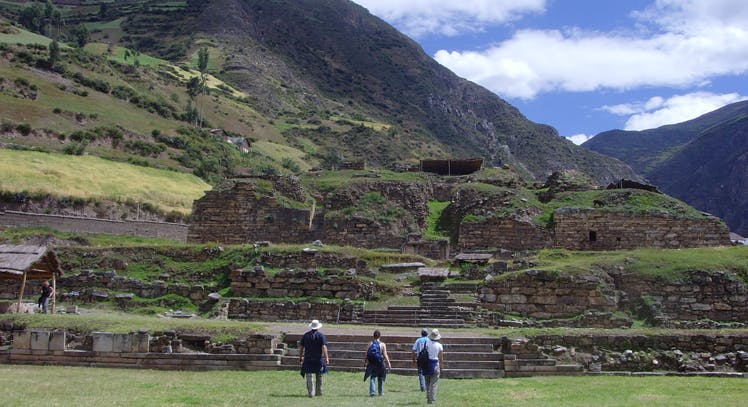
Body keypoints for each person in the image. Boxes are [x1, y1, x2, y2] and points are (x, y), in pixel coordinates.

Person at [299, 319, 329, 397]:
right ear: (318, 327)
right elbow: (324, 347)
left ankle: (311, 393)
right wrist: (326, 358)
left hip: (308, 358)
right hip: (318, 359)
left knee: (309, 376)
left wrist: (301, 356)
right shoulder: (321, 336)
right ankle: (319, 392)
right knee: (319, 375)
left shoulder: (306, 335)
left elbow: (302, 347)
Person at [363, 330, 392, 397]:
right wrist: (389, 363)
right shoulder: (382, 344)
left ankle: (372, 392)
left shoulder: (370, 343)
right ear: (380, 336)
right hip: (380, 363)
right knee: (381, 377)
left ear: (373, 336)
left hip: (372, 363)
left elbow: (366, 354)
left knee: (372, 377)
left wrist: (365, 362)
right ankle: (380, 392)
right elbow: (385, 354)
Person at [424, 328, 444, 404]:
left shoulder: (426, 343)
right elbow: (441, 357)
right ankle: (431, 400)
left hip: (426, 364)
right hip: (435, 364)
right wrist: (441, 366)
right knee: (434, 383)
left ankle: (428, 396)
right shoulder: (439, 346)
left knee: (428, 382)